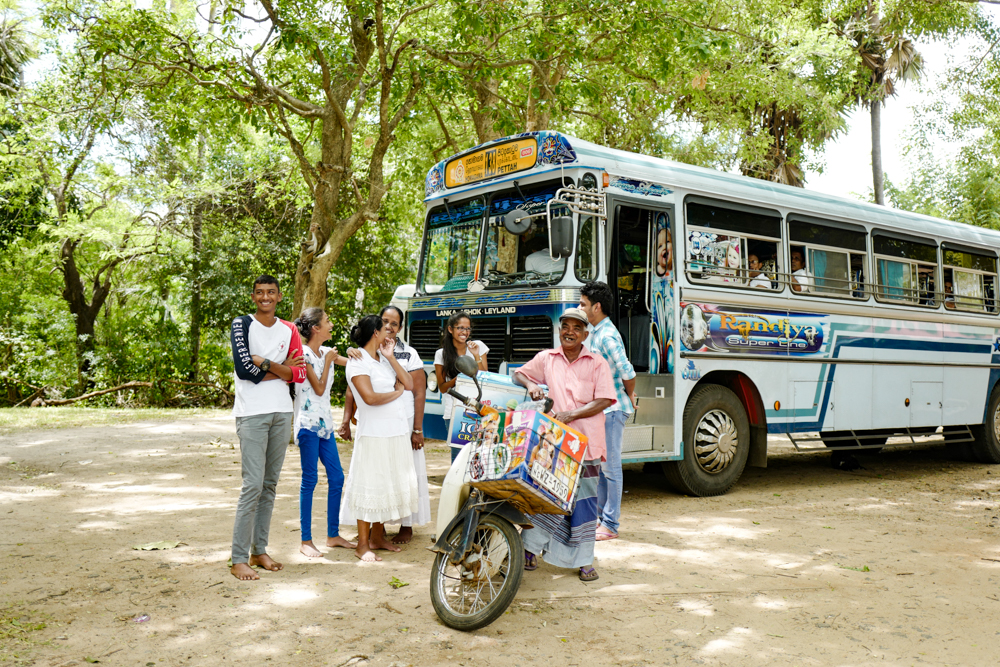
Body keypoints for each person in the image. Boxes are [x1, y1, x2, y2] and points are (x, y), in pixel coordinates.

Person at [514, 307, 617, 582]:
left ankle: (583, 561)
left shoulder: (597, 363)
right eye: (565, 326)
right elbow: (518, 374)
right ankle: (530, 550)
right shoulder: (547, 358)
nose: (569, 331)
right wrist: (531, 385)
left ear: (585, 334)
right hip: (553, 444)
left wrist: (572, 414)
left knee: (584, 502)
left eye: (576, 328)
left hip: (586, 444)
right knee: (546, 496)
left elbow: (606, 399)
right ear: (560, 330)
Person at [229, 275, 307, 581]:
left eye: (270, 292)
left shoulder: (289, 329)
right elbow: (243, 368)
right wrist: (282, 367)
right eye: (259, 292)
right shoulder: (242, 324)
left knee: (270, 486)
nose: (265, 297)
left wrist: (266, 362)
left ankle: (259, 550)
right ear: (253, 296)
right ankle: (238, 558)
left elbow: (300, 373)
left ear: (279, 296)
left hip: (281, 413)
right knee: (253, 485)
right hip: (252, 414)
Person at [338, 306, 430, 544]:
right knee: (374, 479)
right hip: (377, 428)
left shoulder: (399, 354)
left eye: (394, 323)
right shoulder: (364, 357)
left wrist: (417, 428)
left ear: (400, 327)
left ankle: (393, 530)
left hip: (400, 424)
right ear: (376, 330)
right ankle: (368, 537)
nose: (389, 327)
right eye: (384, 322)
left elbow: (414, 388)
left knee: (394, 477)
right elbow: (362, 391)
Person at [292, 308, 356, 558]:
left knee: (337, 478)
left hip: (326, 425)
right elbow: (318, 388)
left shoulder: (325, 353)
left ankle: (332, 535)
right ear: (316, 328)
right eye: (327, 321)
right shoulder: (303, 354)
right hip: (308, 425)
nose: (331, 324)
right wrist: (329, 361)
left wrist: (354, 352)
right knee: (310, 480)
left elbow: (355, 365)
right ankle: (305, 540)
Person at [578, 281, 636, 542]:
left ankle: (611, 523)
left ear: (596, 307)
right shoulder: (597, 332)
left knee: (611, 468)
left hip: (613, 410)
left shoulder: (607, 335)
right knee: (602, 466)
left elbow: (627, 371)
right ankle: (601, 519)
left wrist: (630, 393)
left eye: (583, 305)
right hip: (603, 411)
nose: (581, 308)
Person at [434, 311, 489, 462]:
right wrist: (459, 379)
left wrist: (476, 355)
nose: (464, 332)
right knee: (458, 457)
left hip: (478, 410)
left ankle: (475, 486)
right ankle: (457, 486)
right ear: (450, 329)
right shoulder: (441, 354)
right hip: (454, 412)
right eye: (460, 328)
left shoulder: (478, 346)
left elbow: (484, 377)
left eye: (467, 329)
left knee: (479, 453)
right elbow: (443, 388)